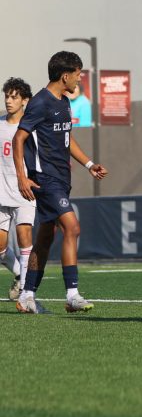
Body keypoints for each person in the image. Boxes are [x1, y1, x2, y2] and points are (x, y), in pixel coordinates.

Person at [12, 51, 108, 314]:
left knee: (44, 238)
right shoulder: (40, 102)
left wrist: (89, 164)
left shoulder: (64, 102)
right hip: (45, 180)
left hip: (62, 179)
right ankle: (72, 294)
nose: (79, 79)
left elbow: (67, 138)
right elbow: (19, 138)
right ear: (65, 75)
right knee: (72, 227)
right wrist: (23, 176)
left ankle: (27, 295)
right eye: (78, 74)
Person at [0, 78, 35, 301]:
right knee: (1, 249)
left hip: (25, 193)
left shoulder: (32, 126)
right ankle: (19, 275)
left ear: (25, 100)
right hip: (1, 193)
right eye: (7, 96)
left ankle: (25, 291)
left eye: (14, 97)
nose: (9, 101)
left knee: (24, 238)